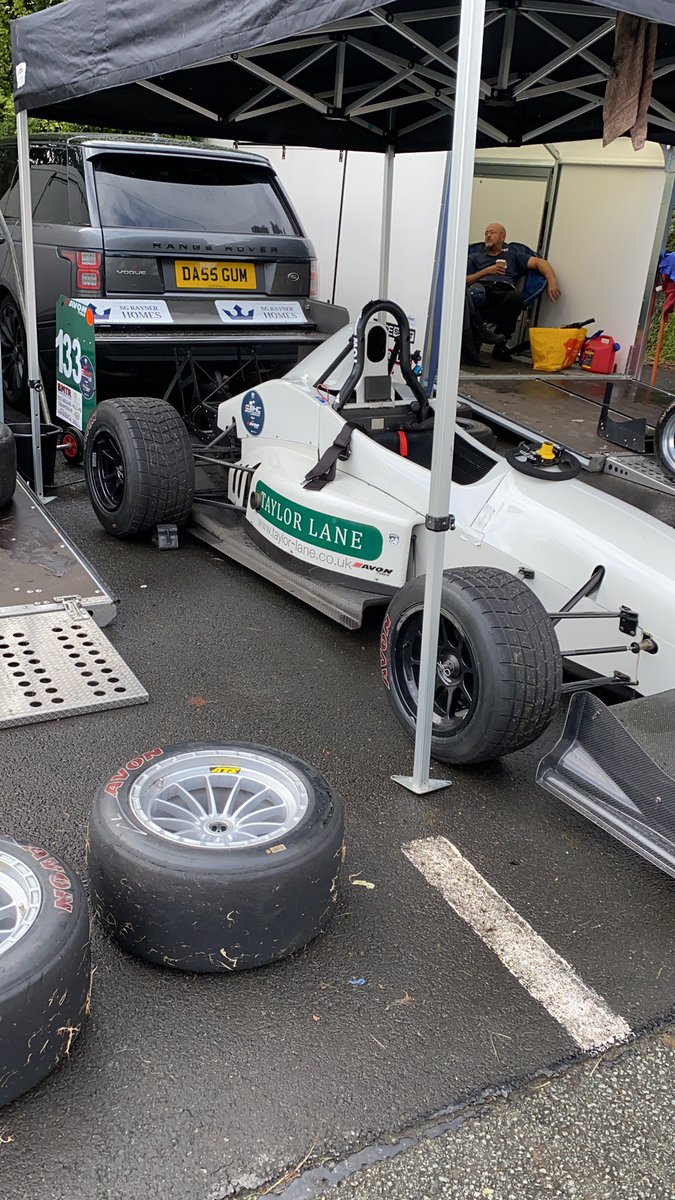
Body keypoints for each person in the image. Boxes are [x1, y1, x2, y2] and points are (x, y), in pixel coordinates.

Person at [466, 223, 561, 361]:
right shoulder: (475, 256)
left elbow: (541, 263)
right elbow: (463, 281)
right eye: (486, 233)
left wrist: (552, 281)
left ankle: (500, 342)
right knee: (474, 292)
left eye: (492, 232)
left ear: (502, 236)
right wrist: (486, 272)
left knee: (515, 297)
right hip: (481, 289)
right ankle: (477, 335)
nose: (488, 235)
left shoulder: (513, 256)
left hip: (504, 292)